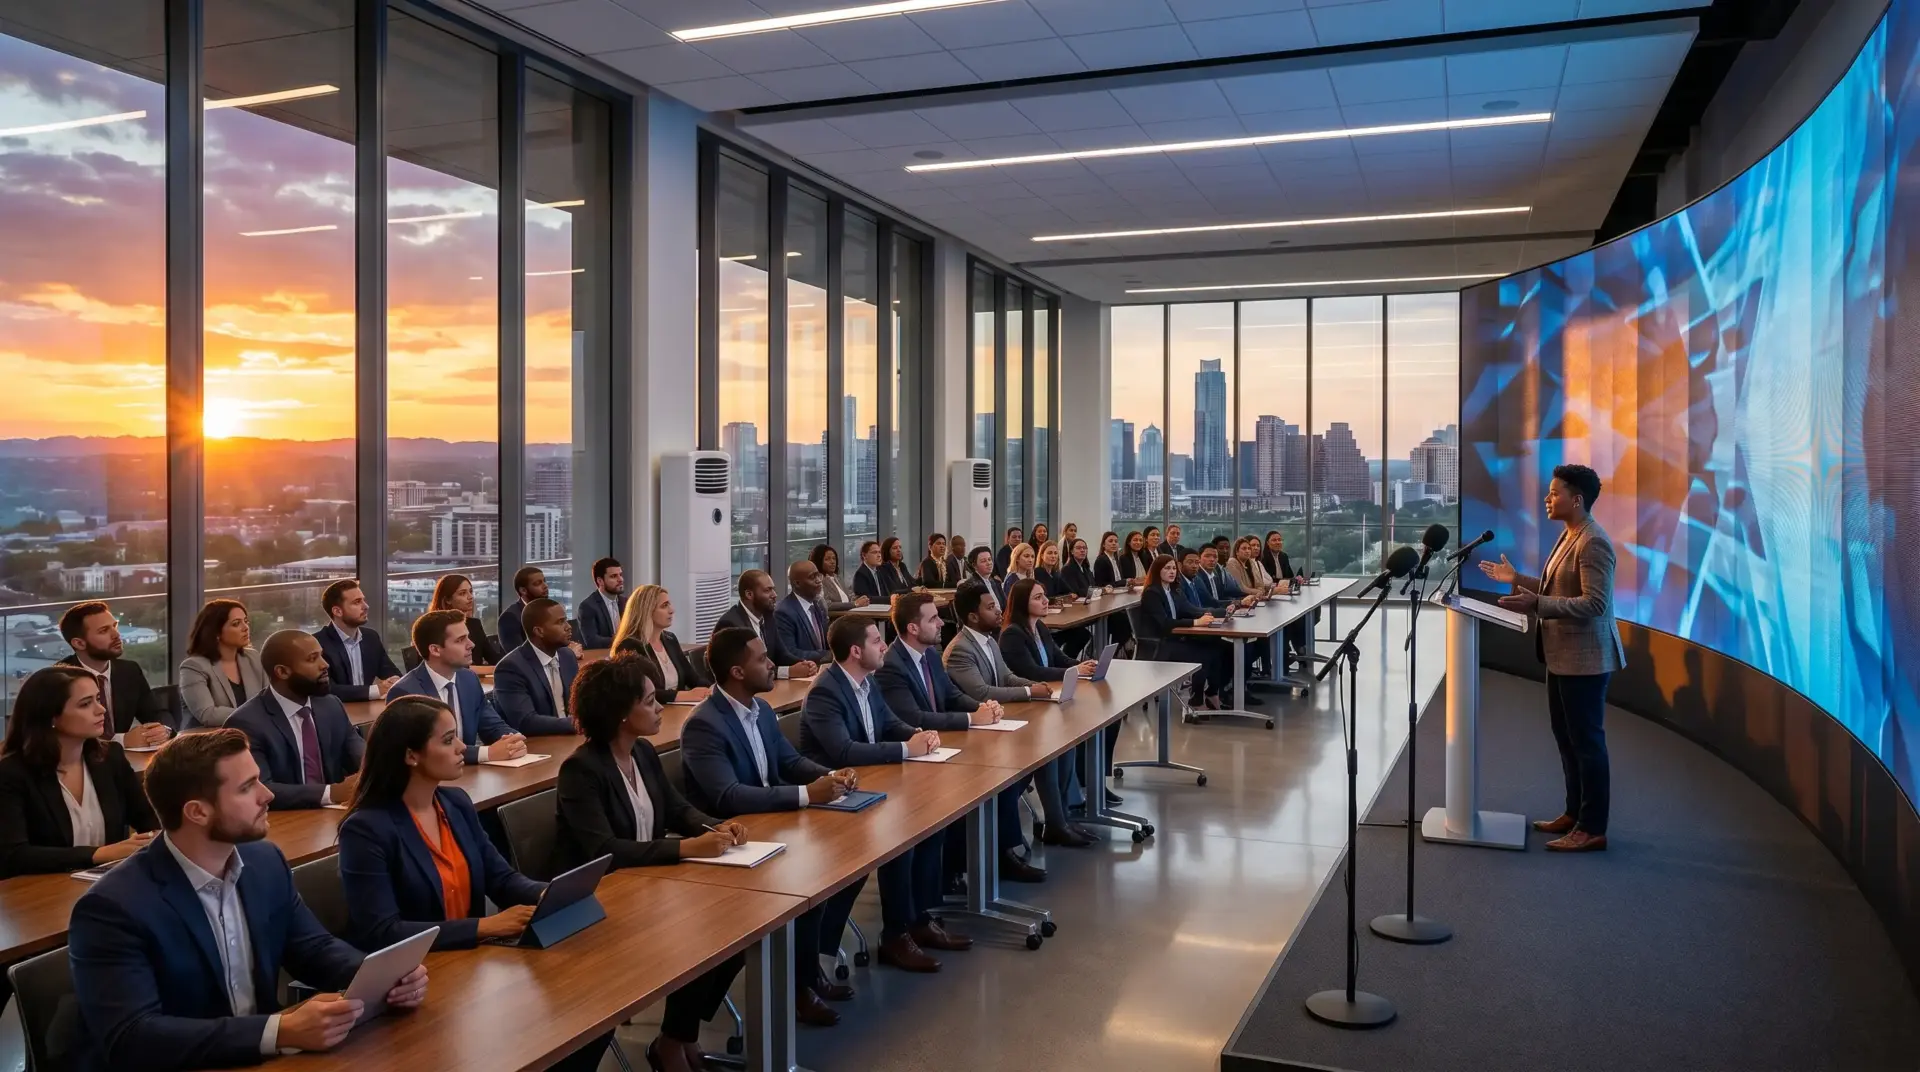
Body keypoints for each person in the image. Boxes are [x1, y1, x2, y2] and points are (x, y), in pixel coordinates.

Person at [68, 730, 427, 1071]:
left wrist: (381, 977)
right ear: (198, 812)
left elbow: (313, 948)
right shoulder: (112, 907)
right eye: (247, 787)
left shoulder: (264, 861)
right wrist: (277, 1031)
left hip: (257, 1059)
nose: (267, 795)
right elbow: (134, 1036)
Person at [555, 655, 750, 1072]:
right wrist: (687, 850)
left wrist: (716, 826)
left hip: (649, 886)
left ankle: (678, 1039)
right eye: (649, 700)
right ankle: (673, 1046)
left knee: (732, 932)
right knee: (695, 938)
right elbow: (604, 850)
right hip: (603, 901)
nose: (661, 706)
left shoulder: (641, 752)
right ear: (621, 714)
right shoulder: (580, 770)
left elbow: (678, 809)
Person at [679, 627, 865, 1027]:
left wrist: (830, 775)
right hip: (732, 840)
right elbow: (728, 795)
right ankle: (798, 989)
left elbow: (789, 761)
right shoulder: (704, 724)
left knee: (843, 865)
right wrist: (805, 795)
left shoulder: (761, 710)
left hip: (770, 826)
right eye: (762, 659)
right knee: (806, 884)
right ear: (737, 672)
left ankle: (809, 975)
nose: (771, 665)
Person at [799, 617, 967, 973]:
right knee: (900, 838)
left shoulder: (867, 682)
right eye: (877, 641)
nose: (883, 647)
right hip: (836, 797)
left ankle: (919, 919)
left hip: (873, 782)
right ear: (856, 651)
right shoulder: (825, 691)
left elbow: (890, 723)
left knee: (929, 824)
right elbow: (843, 751)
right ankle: (895, 934)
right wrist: (908, 749)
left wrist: (920, 734)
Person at [1482, 463, 1624, 853]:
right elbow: (1554, 586)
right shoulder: (1569, 536)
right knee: (1567, 739)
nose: (1547, 498)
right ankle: (1574, 814)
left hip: (1586, 660)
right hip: (1562, 656)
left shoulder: (1593, 541)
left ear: (1576, 500)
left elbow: (1595, 603)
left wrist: (1538, 602)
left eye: (1554, 493)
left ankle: (1592, 827)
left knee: (1587, 744)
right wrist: (1516, 579)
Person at [337, 695, 546, 952]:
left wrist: (546, 894)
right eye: (448, 740)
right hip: (414, 972)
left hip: (469, 961)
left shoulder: (456, 803)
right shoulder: (365, 830)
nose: (461, 747)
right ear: (411, 756)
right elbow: (383, 932)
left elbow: (500, 879)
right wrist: (484, 926)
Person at [945, 586, 1083, 852]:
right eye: (990, 607)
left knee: (1059, 742)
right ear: (973, 617)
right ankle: (1026, 839)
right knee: (1038, 752)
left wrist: (1038, 687)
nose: (998, 611)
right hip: (978, 731)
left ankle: (1060, 819)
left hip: (1003, 719)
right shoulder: (961, 649)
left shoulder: (988, 640)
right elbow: (982, 692)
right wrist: (1030, 691)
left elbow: (1007, 676)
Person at [0, 665, 157, 879]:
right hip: (41, 893)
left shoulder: (110, 757)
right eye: (85, 704)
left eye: (98, 699)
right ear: (51, 717)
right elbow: (13, 855)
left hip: (106, 884)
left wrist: (157, 836)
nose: (101, 710)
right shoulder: (11, 773)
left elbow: (146, 817)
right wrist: (99, 854)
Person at [998, 580, 1101, 847]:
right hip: (1027, 704)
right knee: (1053, 749)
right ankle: (1056, 821)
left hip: (1048, 698)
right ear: (1023, 603)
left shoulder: (1039, 627)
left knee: (1069, 742)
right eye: (1039, 597)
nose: (1046, 601)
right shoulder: (1012, 634)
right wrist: (1074, 673)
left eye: (1044, 596)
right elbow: (1030, 672)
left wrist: (1080, 665)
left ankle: (1062, 816)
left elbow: (1056, 658)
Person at [227, 630, 365, 809]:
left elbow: (360, 753)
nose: (325, 665)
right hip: (283, 823)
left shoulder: (331, 706)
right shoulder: (246, 723)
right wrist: (331, 792)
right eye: (312, 659)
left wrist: (373, 773)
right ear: (282, 672)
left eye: (321, 656)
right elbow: (259, 788)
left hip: (333, 815)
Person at [386, 610, 528, 765]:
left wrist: (513, 740)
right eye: (460, 640)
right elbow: (426, 751)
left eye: (468, 637)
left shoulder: (469, 679)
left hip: (467, 774)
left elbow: (492, 725)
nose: (471, 644)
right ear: (435, 650)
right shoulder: (405, 692)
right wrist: (487, 753)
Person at [57, 601, 172, 747]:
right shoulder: (59, 680)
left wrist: (163, 730)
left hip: (122, 761)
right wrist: (122, 741)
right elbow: (59, 738)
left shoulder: (129, 671)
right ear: (79, 643)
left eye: (115, 626)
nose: (116, 635)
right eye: (104, 631)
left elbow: (156, 713)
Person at [1138, 555, 1230, 710]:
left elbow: (1192, 610)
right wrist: (1196, 623)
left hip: (1178, 638)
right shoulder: (1152, 593)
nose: (1172, 572)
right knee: (1205, 655)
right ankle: (1196, 700)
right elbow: (1164, 624)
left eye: (1174, 568)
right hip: (1163, 644)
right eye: (1167, 568)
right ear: (1157, 571)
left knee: (1219, 646)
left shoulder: (1175, 591)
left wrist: (1222, 612)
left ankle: (1212, 693)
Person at [491, 598, 583, 736]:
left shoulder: (567, 656)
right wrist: (579, 723)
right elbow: (526, 722)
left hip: (571, 737)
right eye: (560, 622)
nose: (568, 627)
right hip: (537, 745)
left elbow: (579, 704)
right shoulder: (510, 668)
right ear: (539, 631)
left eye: (566, 620)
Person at [611, 584, 711, 703]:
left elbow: (693, 678)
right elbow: (640, 692)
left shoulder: (670, 639)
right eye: (664, 606)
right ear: (646, 611)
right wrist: (681, 695)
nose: (671, 610)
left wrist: (712, 689)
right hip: (652, 714)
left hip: (677, 711)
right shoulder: (629, 645)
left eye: (669, 604)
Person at [178, 599, 268, 729]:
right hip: (207, 741)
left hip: (249, 735)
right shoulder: (193, 667)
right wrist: (255, 714)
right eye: (236, 624)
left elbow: (268, 701)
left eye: (246, 621)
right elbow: (208, 714)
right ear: (216, 632)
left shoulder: (252, 657)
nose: (245, 628)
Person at [715, 570, 819, 679]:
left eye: (773, 589)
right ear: (749, 594)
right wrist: (788, 672)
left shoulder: (768, 616)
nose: (774, 595)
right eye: (767, 590)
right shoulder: (731, 624)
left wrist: (805, 664)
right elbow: (747, 670)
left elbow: (782, 654)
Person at [312, 579, 402, 703]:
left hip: (368, 710)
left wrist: (394, 681)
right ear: (337, 611)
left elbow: (391, 672)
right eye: (357, 602)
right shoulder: (318, 644)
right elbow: (327, 689)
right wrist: (376, 690)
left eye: (363, 600)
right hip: (337, 712)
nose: (366, 606)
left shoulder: (371, 637)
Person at [428, 573, 505, 666]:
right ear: (448, 600)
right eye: (462, 593)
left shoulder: (474, 624)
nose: (470, 597)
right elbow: (453, 668)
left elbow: (493, 658)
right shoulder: (436, 629)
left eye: (470, 591)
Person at [775, 559, 832, 666]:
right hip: (803, 671)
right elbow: (789, 652)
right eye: (812, 577)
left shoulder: (819, 604)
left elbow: (826, 640)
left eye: (818, 575)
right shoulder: (783, 612)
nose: (818, 580)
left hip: (823, 668)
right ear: (797, 583)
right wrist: (827, 655)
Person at [576, 556, 627, 650]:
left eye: (620, 574)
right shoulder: (587, 606)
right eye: (614, 576)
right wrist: (623, 641)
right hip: (602, 659)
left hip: (626, 656)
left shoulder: (627, 602)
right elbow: (593, 642)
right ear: (600, 581)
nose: (620, 579)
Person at [498, 565, 548, 653]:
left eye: (544, 581)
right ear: (523, 591)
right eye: (538, 583)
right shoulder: (509, 618)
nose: (545, 586)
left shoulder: (548, 610)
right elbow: (520, 655)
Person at [811, 544, 866, 611]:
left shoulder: (837, 578)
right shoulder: (819, 580)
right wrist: (854, 604)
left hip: (847, 615)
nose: (832, 562)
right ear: (819, 561)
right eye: (827, 559)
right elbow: (826, 605)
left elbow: (849, 597)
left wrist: (858, 599)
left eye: (834, 558)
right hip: (834, 619)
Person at [999, 542, 1037, 607]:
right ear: (1017, 558)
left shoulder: (1029, 577)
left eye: (1032, 556)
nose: (1030, 560)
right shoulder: (1012, 579)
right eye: (1026, 556)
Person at [851, 540, 889, 605]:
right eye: (874, 552)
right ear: (864, 555)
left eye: (879, 552)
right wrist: (890, 599)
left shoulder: (879, 572)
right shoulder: (860, 574)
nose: (879, 555)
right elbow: (866, 598)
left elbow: (885, 593)